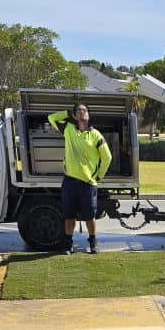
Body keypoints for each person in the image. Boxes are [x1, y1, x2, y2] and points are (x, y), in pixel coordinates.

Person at [47, 103, 112, 254]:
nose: (82, 113)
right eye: (78, 111)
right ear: (75, 116)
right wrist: (67, 112)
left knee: (90, 216)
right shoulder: (68, 129)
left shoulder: (96, 135)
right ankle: (68, 244)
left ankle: (93, 243)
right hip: (69, 181)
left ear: (88, 115)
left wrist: (98, 176)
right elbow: (51, 118)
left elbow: (107, 157)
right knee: (69, 215)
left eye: (85, 111)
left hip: (88, 183)